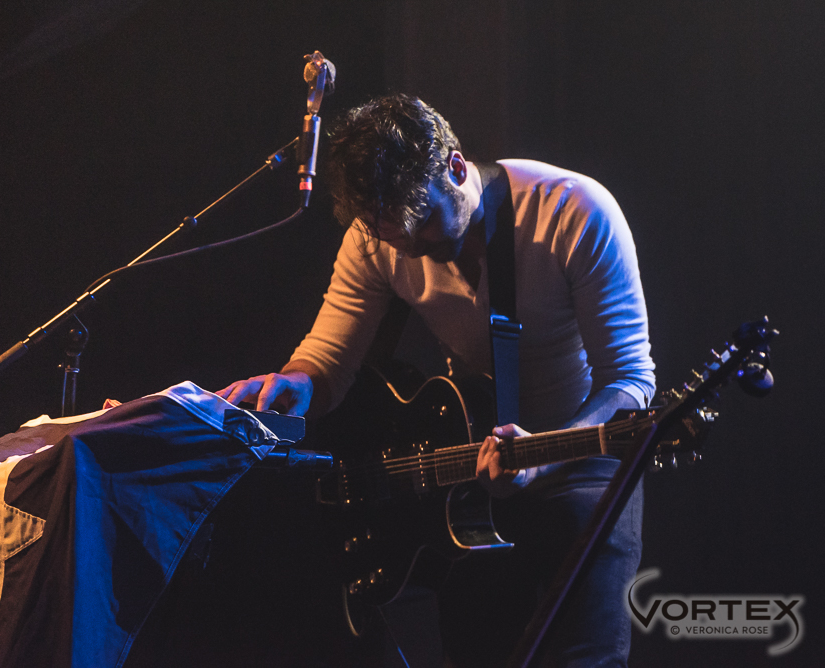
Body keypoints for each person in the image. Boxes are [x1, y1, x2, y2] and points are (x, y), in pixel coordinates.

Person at [217, 94, 655, 666]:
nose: (417, 248)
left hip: (582, 453)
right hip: (476, 460)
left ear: (454, 166)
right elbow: (326, 364)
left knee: (584, 656)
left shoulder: (575, 210)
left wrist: (544, 456)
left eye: (424, 223)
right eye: (394, 236)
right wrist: (286, 388)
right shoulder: (376, 238)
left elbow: (630, 381)